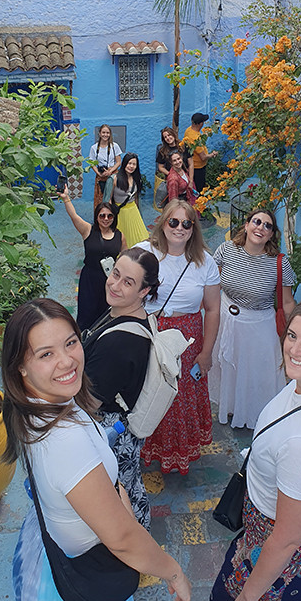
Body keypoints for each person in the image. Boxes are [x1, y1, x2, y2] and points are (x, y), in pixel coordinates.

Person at [2, 298, 192, 601]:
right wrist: (174, 573)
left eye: (71, 343)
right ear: (21, 367)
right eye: (46, 354)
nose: (67, 361)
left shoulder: (38, 406)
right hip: (91, 567)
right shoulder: (64, 440)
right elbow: (121, 538)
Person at [210, 297, 301, 601]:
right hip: (300, 510)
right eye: (292, 336)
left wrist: (248, 597)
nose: (294, 350)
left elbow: (287, 540)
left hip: (275, 539)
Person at [136, 199, 220, 474]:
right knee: (149, 391)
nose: (180, 228)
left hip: (188, 339)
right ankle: (148, 447)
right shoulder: (143, 253)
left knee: (179, 399)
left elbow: (212, 309)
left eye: (187, 223)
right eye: (174, 221)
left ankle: (179, 452)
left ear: (193, 228)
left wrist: (206, 353)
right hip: (151, 334)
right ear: (163, 223)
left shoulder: (205, 262)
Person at [83, 247, 160, 529]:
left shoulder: (120, 344)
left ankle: (130, 549)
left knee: (115, 497)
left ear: (144, 291)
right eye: (115, 274)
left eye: (128, 282)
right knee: (127, 485)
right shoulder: (129, 314)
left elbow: (89, 400)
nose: (115, 285)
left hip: (110, 432)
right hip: (126, 427)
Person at [209, 208, 296, 430]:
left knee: (256, 376)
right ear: (246, 225)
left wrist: (295, 333)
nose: (261, 227)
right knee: (229, 368)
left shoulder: (278, 263)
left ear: (271, 235)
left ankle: (256, 417)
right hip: (226, 320)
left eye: (267, 225)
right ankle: (231, 408)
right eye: (256, 222)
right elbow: (210, 284)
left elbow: (287, 303)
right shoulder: (226, 250)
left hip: (259, 327)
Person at [59, 187, 125, 331]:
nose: (106, 219)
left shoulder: (120, 236)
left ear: (114, 218)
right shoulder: (88, 230)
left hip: (109, 280)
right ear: (96, 217)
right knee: (86, 313)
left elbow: (125, 259)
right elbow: (74, 216)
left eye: (109, 216)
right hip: (89, 278)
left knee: (106, 313)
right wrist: (66, 198)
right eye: (102, 216)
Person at [106, 153, 149, 247]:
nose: (131, 166)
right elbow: (108, 199)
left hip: (133, 211)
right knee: (121, 239)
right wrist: (109, 216)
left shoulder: (137, 179)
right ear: (124, 163)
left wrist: (139, 214)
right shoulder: (114, 178)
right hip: (119, 212)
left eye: (134, 164)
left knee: (138, 237)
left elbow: (137, 198)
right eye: (129, 163)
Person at [181, 112, 217, 194]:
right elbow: (203, 157)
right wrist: (212, 154)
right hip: (198, 168)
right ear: (200, 124)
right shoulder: (195, 138)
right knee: (199, 189)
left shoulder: (189, 130)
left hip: (191, 165)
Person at [89, 124, 122, 208]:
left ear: (110, 134)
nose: (105, 135)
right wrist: (99, 173)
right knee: (100, 199)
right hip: (100, 176)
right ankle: (100, 219)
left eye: (107, 133)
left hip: (113, 175)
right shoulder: (94, 148)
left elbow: (118, 162)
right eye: (103, 132)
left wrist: (110, 171)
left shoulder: (115, 146)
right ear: (99, 133)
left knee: (113, 198)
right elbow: (92, 163)